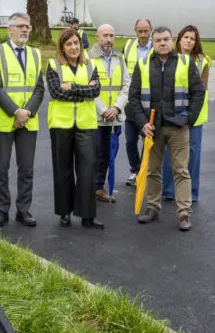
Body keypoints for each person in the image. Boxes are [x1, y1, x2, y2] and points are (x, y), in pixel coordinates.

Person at [128, 26, 205, 231]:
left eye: (166, 39)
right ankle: (152, 208)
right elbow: (133, 97)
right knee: (153, 170)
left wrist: (189, 118)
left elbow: (199, 92)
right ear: (153, 42)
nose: (162, 43)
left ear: (173, 41)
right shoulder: (143, 64)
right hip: (152, 128)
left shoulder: (186, 62)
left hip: (178, 125)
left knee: (181, 170)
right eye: (158, 40)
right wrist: (142, 123)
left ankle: (184, 213)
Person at [0, 13, 44, 228]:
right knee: (1, 169)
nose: (25, 30)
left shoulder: (36, 54)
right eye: (20, 26)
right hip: (4, 121)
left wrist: (27, 112)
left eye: (27, 26)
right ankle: (2, 211)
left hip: (28, 122)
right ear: (9, 30)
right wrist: (16, 112)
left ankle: (23, 210)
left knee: (26, 169)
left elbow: (39, 88)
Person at [46, 28, 104, 229]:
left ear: (81, 45)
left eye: (76, 43)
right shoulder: (53, 65)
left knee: (87, 169)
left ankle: (88, 215)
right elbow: (56, 93)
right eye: (68, 44)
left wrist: (71, 87)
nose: (73, 47)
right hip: (60, 124)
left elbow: (95, 91)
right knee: (63, 169)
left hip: (86, 124)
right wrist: (84, 90)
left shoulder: (91, 65)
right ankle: (64, 213)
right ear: (62, 47)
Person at [162, 25, 211, 203]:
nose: (189, 41)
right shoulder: (169, 58)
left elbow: (203, 89)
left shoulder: (203, 61)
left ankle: (191, 192)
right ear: (179, 40)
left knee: (193, 154)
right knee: (170, 152)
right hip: (173, 113)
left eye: (192, 38)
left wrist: (192, 111)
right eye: (186, 37)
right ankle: (168, 190)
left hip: (195, 114)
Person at [88, 23, 130, 203]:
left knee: (107, 154)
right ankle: (89, 188)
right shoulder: (88, 58)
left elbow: (126, 84)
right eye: (105, 35)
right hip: (96, 116)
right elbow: (87, 86)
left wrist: (117, 107)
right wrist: (104, 110)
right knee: (94, 154)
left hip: (115, 116)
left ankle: (99, 188)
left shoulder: (119, 58)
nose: (109, 39)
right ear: (97, 37)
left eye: (111, 36)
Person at [122, 18, 153, 186]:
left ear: (151, 30)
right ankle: (135, 170)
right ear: (135, 31)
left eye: (146, 31)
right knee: (130, 141)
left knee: (147, 140)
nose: (143, 35)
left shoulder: (157, 47)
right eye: (139, 31)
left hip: (150, 102)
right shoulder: (127, 47)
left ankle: (144, 171)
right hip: (131, 101)